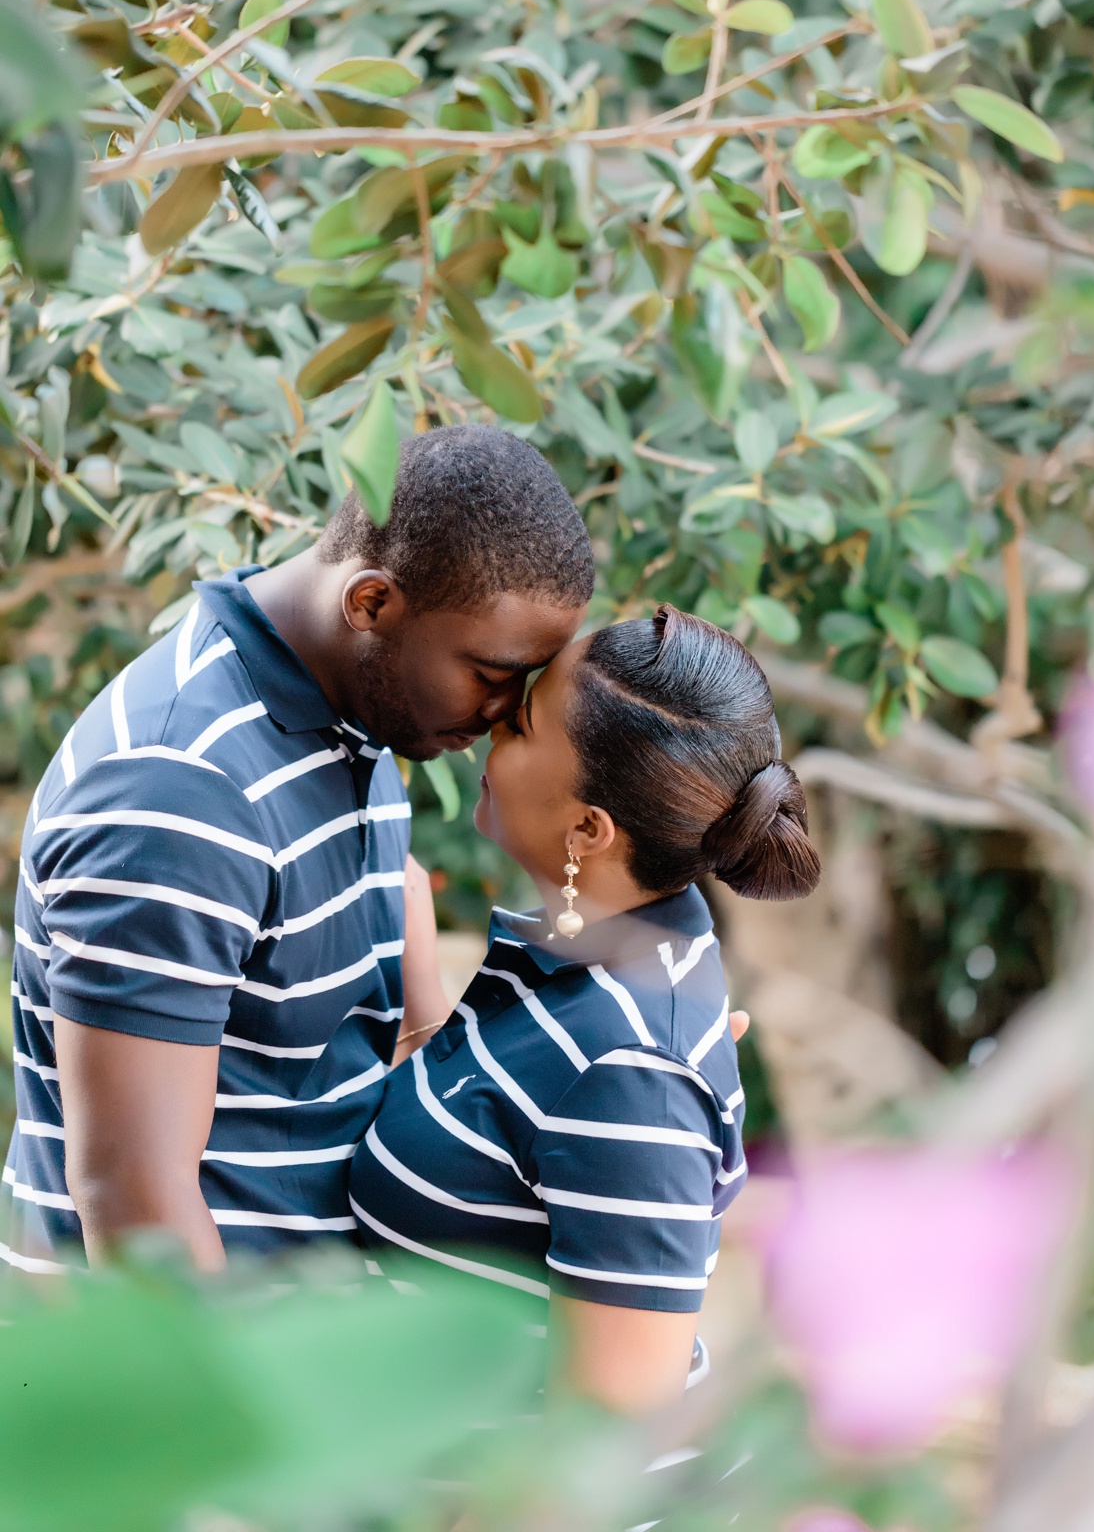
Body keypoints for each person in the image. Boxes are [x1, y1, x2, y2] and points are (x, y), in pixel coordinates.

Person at [5, 425, 593, 1274]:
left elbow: (363, 1054)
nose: (506, 711)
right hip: (197, 1377)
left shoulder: (355, 720)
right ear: (371, 603)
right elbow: (134, 1196)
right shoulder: (180, 787)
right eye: (491, 671)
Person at [349, 606, 820, 1414]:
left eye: (525, 722)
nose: (495, 718)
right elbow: (500, 1151)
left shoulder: (632, 1071)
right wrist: (416, 971)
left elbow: (607, 1430)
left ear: (587, 830)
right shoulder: (599, 965)